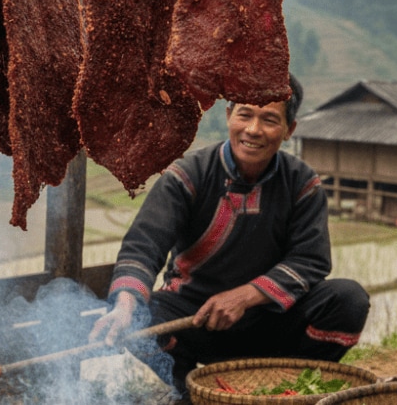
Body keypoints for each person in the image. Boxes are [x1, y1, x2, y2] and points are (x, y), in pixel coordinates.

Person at [89, 74, 369, 402]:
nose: (253, 129)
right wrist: (125, 306)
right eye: (245, 114)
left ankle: (287, 389)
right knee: (140, 319)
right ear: (228, 116)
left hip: (270, 319)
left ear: (289, 130)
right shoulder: (186, 176)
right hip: (196, 319)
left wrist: (245, 297)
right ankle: (190, 391)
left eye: (269, 119)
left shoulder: (302, 184)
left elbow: (311, 260)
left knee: (349, 300)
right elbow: (143, 245)